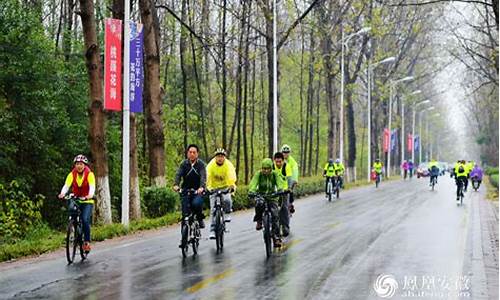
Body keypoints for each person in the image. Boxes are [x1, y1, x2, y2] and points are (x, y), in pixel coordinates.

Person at [58, 154, 95, 253]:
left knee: (85, 219)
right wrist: (62, 193)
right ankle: (73, 229)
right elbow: (66, 185)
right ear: (75, 165)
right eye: (77, 164)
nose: (79, 166)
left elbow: (92, 187)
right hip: (76, 199)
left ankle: (86, 242)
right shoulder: (71, 174)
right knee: (72, 212)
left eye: (81, 164)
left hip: (87, 201)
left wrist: (90, 195)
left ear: (84, 165)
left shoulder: (89, 174)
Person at [249, 158, 286, 247]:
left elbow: (279, 182)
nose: (265, 171)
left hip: (272, 196)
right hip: (261, 195)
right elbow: (253, 183)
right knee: (258, 204)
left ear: (270, 168)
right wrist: (252, 191)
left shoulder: (274, 174)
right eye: (263, 168)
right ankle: (259, 220)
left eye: (267, 169)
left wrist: (280, 189)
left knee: (275, 215)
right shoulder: (258, 174)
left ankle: (276, 237)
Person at [173, 144, 207, 229]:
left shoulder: (201, 165)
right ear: (187, 153)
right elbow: (178, 174)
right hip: (186, 191)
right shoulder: (184, 164)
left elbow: (203, 176)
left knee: (196, 204)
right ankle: (184, 239)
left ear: (197, 154)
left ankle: (199, 218)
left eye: (194, 152)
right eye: (190, 152)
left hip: (197, 191)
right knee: (185, 213)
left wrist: (202, 187)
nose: (192, 154)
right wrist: (176, 185)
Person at [206, 148, 236, 239]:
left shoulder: (228, 164)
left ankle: (227, 213)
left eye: (222, 156)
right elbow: (207, 176)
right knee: (213, 210)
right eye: (218, 156)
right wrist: (207, 187)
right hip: (213, 188)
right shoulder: (211, 165)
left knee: (227, 200)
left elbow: (231, 175)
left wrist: (231, 185)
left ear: (224, 158)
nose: (220, 158)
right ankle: (212, 230)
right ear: (215, 157)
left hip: (226, 187)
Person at [273, 152, 293, 237]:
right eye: (276, 162)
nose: (278, 164)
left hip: (284, 191)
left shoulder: (286, 166)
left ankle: (285, 227)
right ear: (274, 161)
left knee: (285, 208)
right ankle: (274, 227)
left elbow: (289, 178)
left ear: (283, 161)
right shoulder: (272, 167)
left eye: (280, 162)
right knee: (273, 209)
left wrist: (289, 188)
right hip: (275, 190)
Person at [281, 144, 299, 213]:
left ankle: (290, 204)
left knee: (290, 191)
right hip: (281, 179)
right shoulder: (279, 159)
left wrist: (295, 180)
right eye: (284, 152)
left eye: (287, 152)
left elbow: (295, 170)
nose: (285, 154)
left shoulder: (292, 161)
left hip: (290, 178)